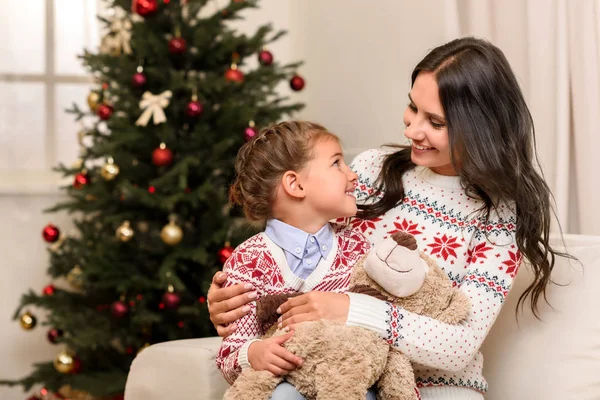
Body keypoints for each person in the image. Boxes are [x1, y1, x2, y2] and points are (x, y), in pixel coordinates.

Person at [208, 37, 569, 399]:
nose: (412, 130)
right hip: (337, 369)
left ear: (480, 127)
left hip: (436, 388)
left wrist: (353, 309)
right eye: (412, 107)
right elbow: (307, 252)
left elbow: (460, 346)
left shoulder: (500, 214)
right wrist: (239, 302)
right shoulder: (371, 169)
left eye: (435, 122)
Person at [215, 120, 384, 399]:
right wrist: (253, 353)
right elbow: (229, 354)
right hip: (284, 388)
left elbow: (376, 330)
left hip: (347, 384)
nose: (352, 175)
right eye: (336, 163)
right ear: (295, 184)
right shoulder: (248, 261)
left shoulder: (356, 246)